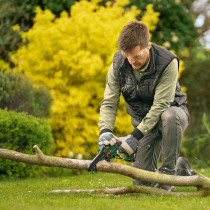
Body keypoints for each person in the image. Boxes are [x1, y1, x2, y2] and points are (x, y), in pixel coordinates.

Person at [98, 20, 193, 192]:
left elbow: (161, 105)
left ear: (147, 46)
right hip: (144, 124)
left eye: (136, 56)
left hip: (173, 115)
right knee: (141, 183)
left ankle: (168, 174)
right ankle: (183, 169)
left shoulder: (168, 62)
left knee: (169, 115)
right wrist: (105, 131)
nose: (131, 61)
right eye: (128, 56)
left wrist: (134, 136)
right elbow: (109, 102)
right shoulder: (118, 64)